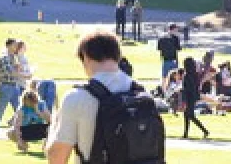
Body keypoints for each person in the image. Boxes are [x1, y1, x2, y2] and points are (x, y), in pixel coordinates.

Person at [45, 31, 163, 164]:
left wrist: (54, 125)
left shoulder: (77, 98)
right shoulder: (142, 95)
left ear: (86, 57)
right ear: (118, 56)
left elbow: (57, 158)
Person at [0, 38, 22, 139]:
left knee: (19, 109)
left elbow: (16, 70)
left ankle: (19, 131)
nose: (16, 47)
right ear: (9, 46)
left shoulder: (13, 57)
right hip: (6, 86)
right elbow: (11, 72)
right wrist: (25, 75)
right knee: (1, 109)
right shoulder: (5, 57)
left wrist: (18, 69)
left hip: (14, 86)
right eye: (14, 45)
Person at [181, 57, 210, 139]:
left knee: (190, 116)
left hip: (189, 97)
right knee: (187, 115)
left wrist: (184, 100)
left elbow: (186, 89)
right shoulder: (195, 74)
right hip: (193, 97)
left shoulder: (187, 76)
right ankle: (185, 133)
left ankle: (204, 131)